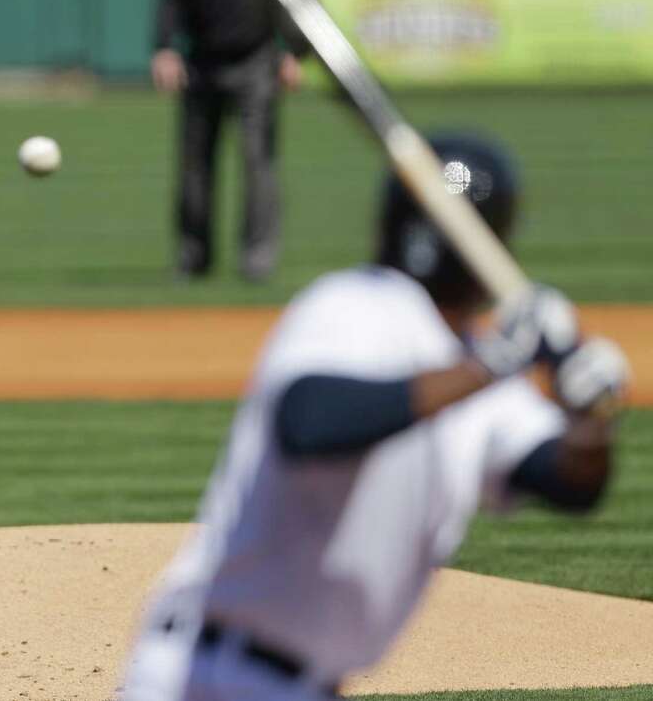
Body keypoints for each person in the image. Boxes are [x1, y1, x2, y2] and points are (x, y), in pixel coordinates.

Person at [119, 134, 630, 700]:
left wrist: (589, 420)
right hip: (207, 675)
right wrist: (492, 363)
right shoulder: (354, 306)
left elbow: (570, 484)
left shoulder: (477, 375)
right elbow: (310, 421)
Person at [152, 0, 310, 280]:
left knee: (258, 164)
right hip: (202, 62)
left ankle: (256, 261)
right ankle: (194, 258)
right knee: (195, 168)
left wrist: (294, 52)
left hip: (255, 60)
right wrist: (165, 47)